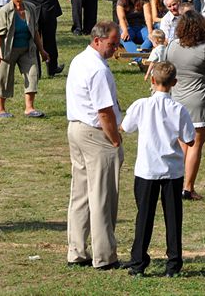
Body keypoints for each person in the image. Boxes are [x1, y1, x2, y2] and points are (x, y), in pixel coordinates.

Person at [120, 61, 195, 277]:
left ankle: (138, 263)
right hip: (172, 170)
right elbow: (189, 139)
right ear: (175, 83)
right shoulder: (179, 109)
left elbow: (126, 127)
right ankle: (173, 263)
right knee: (173, 217)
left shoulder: (141, 105)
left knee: (144, 215)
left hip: (147, 169)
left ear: (152, 80)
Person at [65, 21, 123, 270]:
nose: (115, 48)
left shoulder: (80, 59)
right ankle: (104, 256)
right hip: (95, 134)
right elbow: (105, 112)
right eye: (111, 43)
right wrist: (115, 139)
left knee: (80, 194)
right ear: (97, 40)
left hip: (76, 129)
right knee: (102, 196)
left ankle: (76, 251)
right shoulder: (98, 69)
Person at [165, 10, 205, 201]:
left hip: (177, 100)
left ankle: (177, 183)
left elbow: (166, 69)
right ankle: (188, 187)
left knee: (181, 144)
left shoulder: (171, 46)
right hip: (199, 102)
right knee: (196, 145)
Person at [0, 0, 49, 118]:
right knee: (3, 78)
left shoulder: (31, 8)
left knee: (32, 75)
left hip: (27, 49)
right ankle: (0, 109)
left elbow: (35, 31)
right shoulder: (4, 11)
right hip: (7, 50)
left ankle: (30, 108)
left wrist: (42, 51)